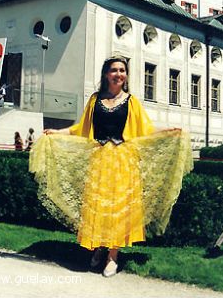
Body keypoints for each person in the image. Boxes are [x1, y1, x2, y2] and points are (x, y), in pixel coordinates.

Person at [30, 56, 193, 278]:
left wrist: (169, 130)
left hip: (123, 162)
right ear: (106, 74)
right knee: (97, 207)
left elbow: (146, 129)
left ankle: (112, 256)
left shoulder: (131, 101)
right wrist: (57, 132)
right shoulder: (95, 99)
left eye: (122, 70)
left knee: (118, 209)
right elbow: (80, 128)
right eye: (114, 70)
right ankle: (98, 247)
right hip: (99, 161)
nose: (119, 74)